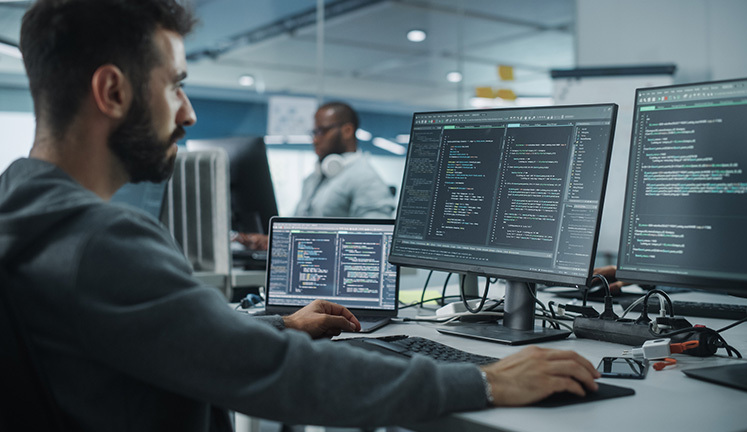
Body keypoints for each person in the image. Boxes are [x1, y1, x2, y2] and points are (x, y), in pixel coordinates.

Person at [0, 1, 599, 430]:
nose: (186, 114)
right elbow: (282, 378)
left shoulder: (24, 217)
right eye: (175, 86)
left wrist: (279, 326)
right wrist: (487, 381)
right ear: (113, 92)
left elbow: (182, 344)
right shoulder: (101, 241)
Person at [236, 102, 396, 250]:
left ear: (347, 131)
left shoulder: (366, 179)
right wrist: (272, 241)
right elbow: (297, 230)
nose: (315, 139)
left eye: (322, 131)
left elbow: (374, 243)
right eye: (313, 132)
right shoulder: (314, 178)